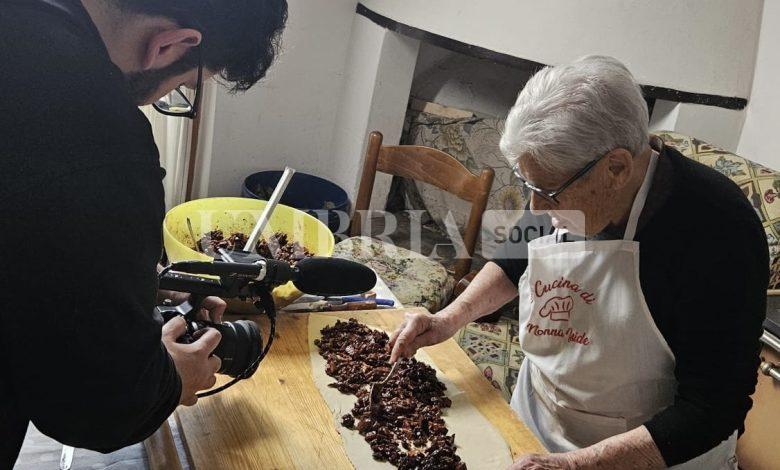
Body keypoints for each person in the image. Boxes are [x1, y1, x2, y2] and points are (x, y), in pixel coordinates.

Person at [389, 56, 768, 469]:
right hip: (540, 419)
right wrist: (448, 319)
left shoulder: (719, 229)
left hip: (646, 455)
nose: (535, 206)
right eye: (529, 185)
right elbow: (515, 260)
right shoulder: (567, 178)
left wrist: (575, 465)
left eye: (548, 192)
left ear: (616, 168)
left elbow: (712, 408)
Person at [0, 0, 287, 466]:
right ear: (170, 45)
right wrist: (173, 379)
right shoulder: (98, 137)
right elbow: (93, 406)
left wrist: (128, 276)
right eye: (184, 85)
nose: (168, 96)